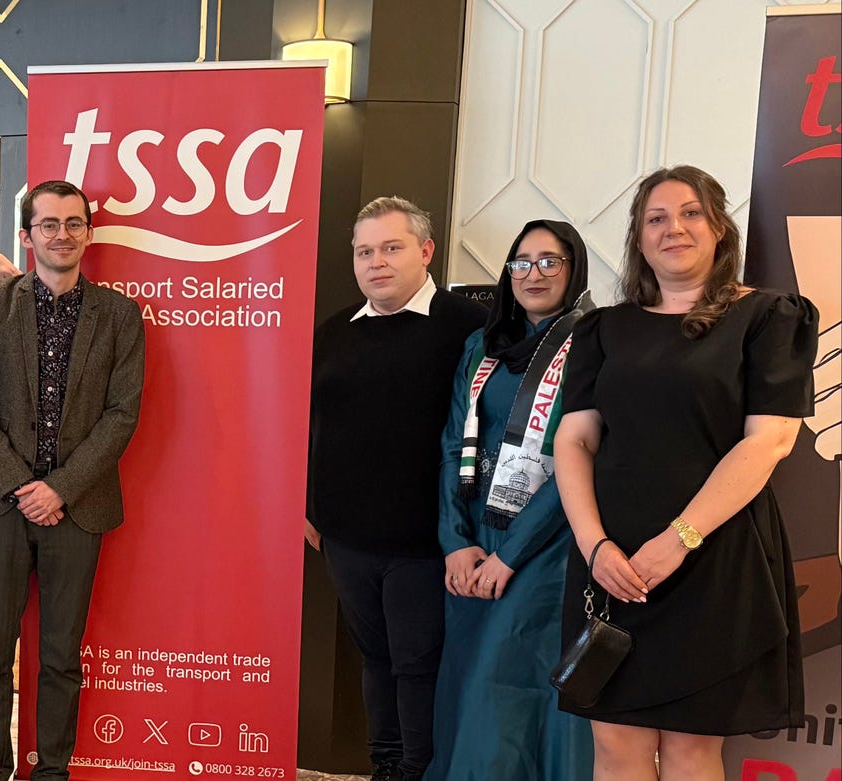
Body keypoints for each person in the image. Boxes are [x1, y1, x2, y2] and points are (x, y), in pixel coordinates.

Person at [554, 165, 815, 781]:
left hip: (711, 557)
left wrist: (679, 541)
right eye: (657, 218)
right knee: (615, 744)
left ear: (721, 228)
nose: (675, 228)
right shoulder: (603, 328)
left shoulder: (769, 317)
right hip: (611, 562)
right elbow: (573, 440)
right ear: (639, 239)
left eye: (692, 213)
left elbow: (771, 441)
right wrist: (595, 546)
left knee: (691, 749)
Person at [0, 179, 146, 781]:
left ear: (88, 233)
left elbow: (123, 414)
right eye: (48, 224)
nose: (61, 234)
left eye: (73, 223)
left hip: (78, 508)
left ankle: (52, 772)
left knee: (62, 656)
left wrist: (59, 487)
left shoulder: (119, 315)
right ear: (26, 235)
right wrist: (22, 485)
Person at [305, 197, 487, 781]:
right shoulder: (333, 333)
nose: (376, 263)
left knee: (419, 664)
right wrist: (307, 506)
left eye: (391, 248)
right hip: (345, 536)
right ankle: (386, 767)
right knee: (375, 659)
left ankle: (418, 770)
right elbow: (307, 427)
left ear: (426, 251)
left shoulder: (468, 328)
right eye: (364, 251)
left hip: (427, 539)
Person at [426, 220, 595, 781]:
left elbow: (580, 465)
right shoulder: (484, 345)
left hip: (547, 546)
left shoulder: (593, 344)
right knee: (467, 679)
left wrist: (510, 557)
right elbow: (455, 442)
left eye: (551, 261)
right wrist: (455, 542)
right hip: (475, 539)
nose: (533, 273)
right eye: (521, 261)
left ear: (574, 270)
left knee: (507, 689)